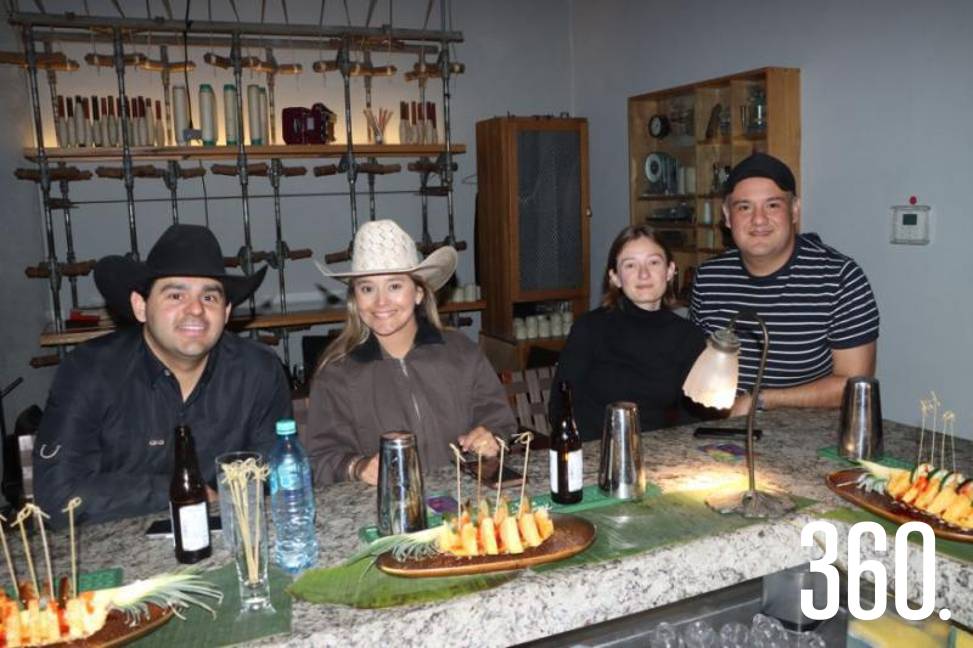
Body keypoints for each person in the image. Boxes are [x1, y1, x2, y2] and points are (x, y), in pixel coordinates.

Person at [33, 225, 293, 527]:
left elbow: (276, 477)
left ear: (225, 312)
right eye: (176, 295)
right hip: (115, 547)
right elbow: (58, 496)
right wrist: (183, 491)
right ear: (141, 306)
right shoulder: (90, 372)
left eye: (210, 298)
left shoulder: (259, 371)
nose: (195, 309)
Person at [306, 220, 517, 486]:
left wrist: (490, 437)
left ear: (418, 293)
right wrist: (358, 467)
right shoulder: (336, 373)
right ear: (355, 298)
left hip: (465, 502)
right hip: (386, 506)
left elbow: (500, 421)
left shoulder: (462, 352)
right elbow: (320, 459)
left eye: (394, 286)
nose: (381, 302)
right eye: (367, 288)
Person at [690, 152, 880, 417]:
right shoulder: (709, 278)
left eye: (772, 205)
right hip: (722, 428)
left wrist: (760, 400)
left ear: (794, 210)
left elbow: (854, 385)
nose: (758, 220)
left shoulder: (839, 278)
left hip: (808, 433)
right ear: (727, 216)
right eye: (744, 207)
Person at [548, 225, 707, 441]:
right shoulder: (590, 328)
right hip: (595, 450)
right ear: (615, 277)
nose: (644, 274)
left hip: (658, 452)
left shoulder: (688, 336)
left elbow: (692, 417)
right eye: (630, 265)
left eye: (653, 262)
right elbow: (560, 406)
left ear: (670, 271)